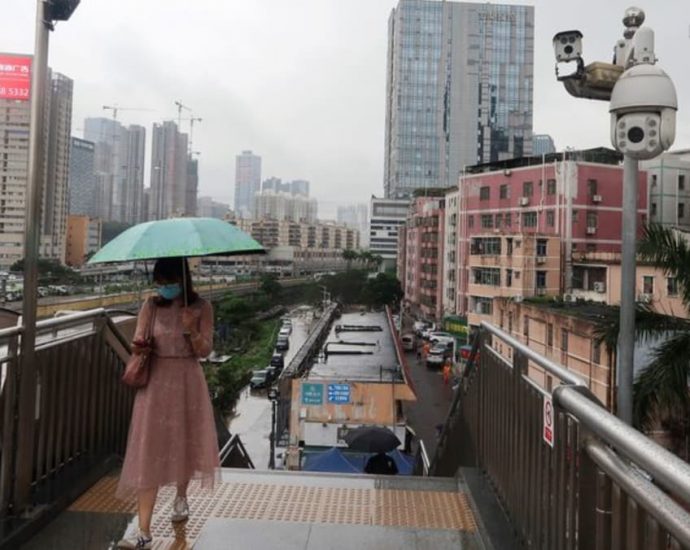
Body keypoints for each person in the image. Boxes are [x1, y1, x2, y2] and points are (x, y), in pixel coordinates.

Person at [116, 257, 220, 550]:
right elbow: (138, 341)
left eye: (169, 282)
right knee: (147, 450)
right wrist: (142, 343)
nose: (164, 288)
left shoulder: (202, 307)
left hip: (188, 380)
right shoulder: (150, 307)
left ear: (182, 280)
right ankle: (144, 532)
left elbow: (205, 350)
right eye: (160, 283)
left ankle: (181, 496)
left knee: (184, 442)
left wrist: (191, 328)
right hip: (156, 383)